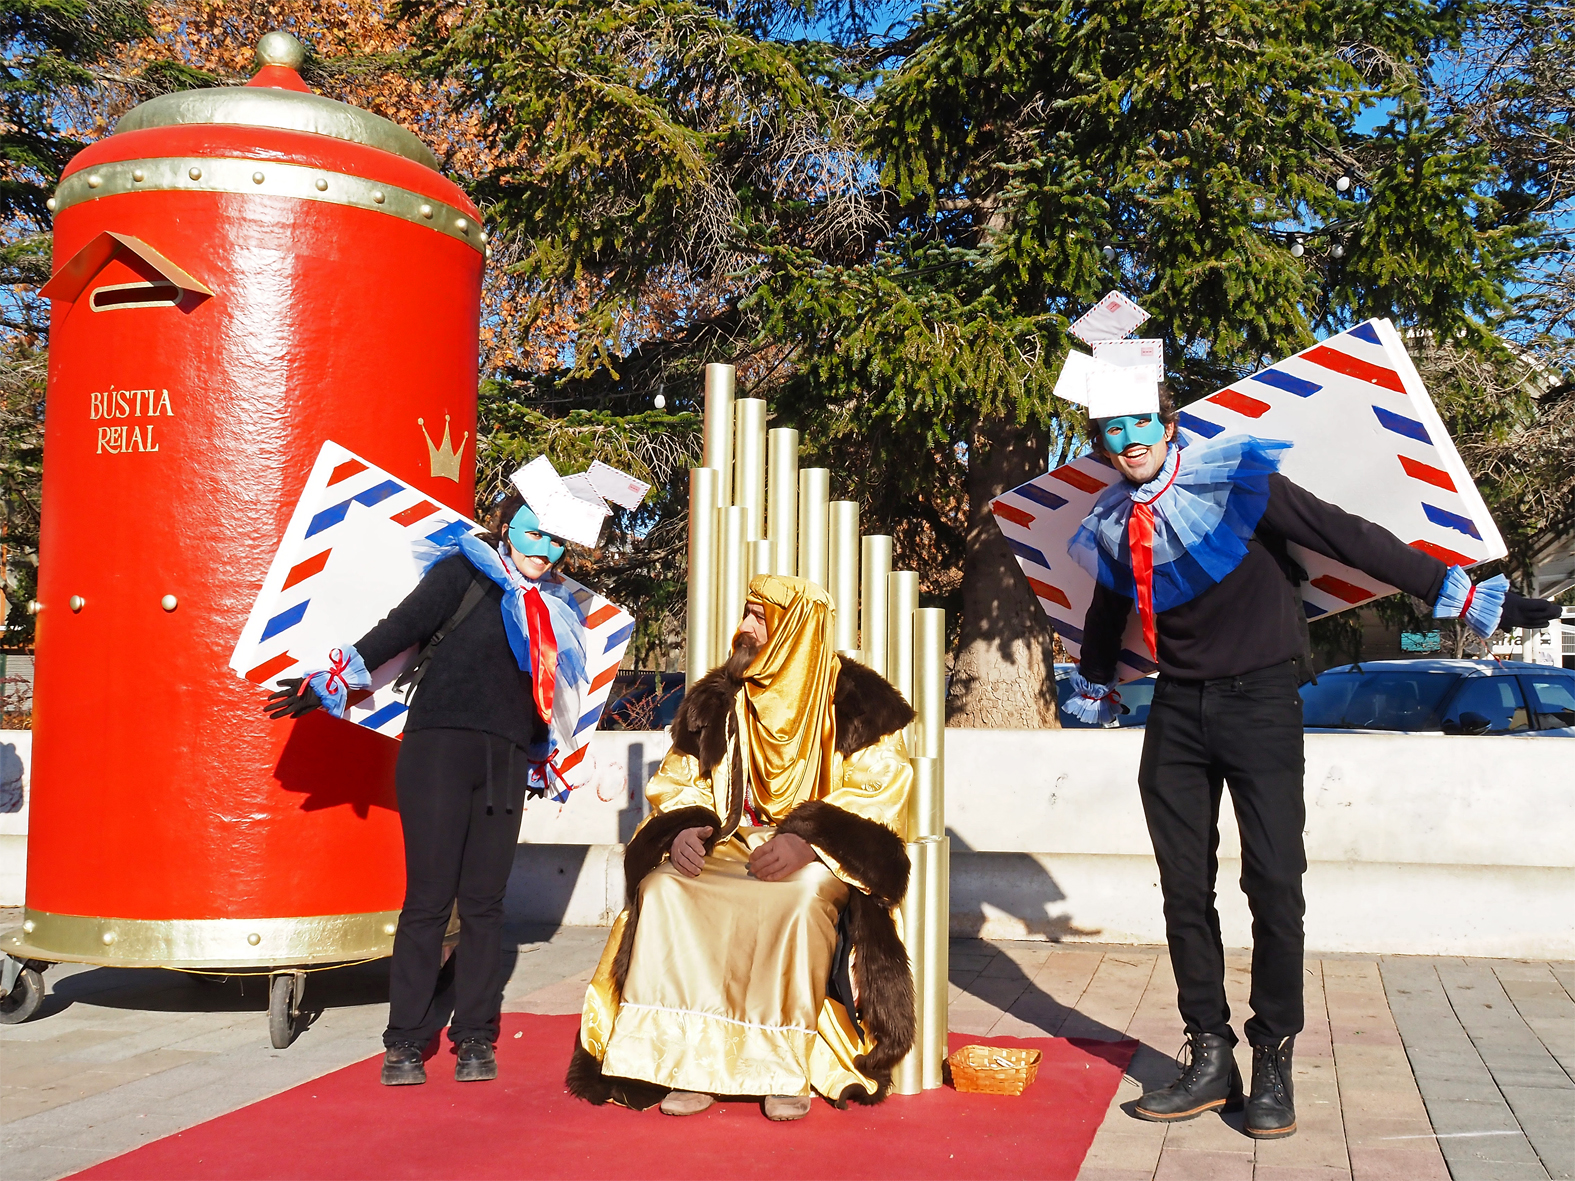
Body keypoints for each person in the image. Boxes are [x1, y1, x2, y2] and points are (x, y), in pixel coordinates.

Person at [1063, 385, 1561, 1138]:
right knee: (1182, 889)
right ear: (1100, 440)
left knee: (1273, 882)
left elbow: (1346, 535)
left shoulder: (1234, 480)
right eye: (1110, 429)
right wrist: (1093, 681)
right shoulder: (1111, 521)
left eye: (1139, 423)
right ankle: (1209, 1056)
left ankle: (1273, 1058)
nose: (1128, 439)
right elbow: (1109, 608)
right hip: (1176, 708)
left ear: (1167, 425)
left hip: (1260, 700)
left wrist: (1459, 595)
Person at [264, 488, 591, 1086]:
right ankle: (405, 1043)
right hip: (437, 748)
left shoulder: (553, 608)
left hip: (503, 759)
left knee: (486, 905)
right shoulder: (462, 572)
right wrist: (331, 681)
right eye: (534, 533)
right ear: (507, 525)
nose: (544, 550)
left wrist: (542, 756)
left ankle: (475, 1037)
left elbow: (550, 693)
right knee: (429, 899)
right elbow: (399, 629)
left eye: (556, 541)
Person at [567, 575, 917, 1120]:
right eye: (746, 613)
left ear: (795, 630)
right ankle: (687, 1061)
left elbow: (879, 792)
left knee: (799, 900)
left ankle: (782, 1069)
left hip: (813, 856)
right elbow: (681, 781)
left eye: (759, 617)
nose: (744, 628)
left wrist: (810, 842)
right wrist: (682, 829)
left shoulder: (863, 706)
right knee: (664, 889)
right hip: (730, 842)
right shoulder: (717, 699)